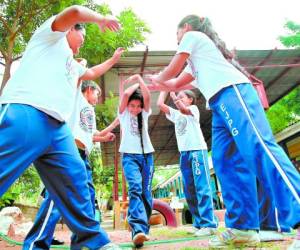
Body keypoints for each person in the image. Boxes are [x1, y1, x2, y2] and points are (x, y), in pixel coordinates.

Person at [147, 15, 300, 249]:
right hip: (218, 104)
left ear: (186, 28)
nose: (177, 40)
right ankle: (242, 228)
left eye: (176, 35)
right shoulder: (197, 61)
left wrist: (160, 77)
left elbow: (172, 69)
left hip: (232, 91)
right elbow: (176, 82)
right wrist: (159, 84)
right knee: (224, 161)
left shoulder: (194, 36)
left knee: (258, 146)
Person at [0, 5, 123, 249]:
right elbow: (76, 11)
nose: (83, 42)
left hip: (58, 130)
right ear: (70, 31)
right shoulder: (49, 36)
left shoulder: (72, 65)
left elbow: (92, 72)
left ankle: (92, 242)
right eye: (82, 35)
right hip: (26, 112)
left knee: (75, 183)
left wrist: (113, 60)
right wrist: (100, 19)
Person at [23, 80, 118, 249]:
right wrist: (81, 68)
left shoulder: (90, 111)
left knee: (87, 197)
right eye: (97, 93)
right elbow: (77, 79)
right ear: (88, 90)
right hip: (69, 154)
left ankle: (80, 243)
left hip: (84, 157)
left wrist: (111, 128)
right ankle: (36, 243)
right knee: (57, 199)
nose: (98, 98)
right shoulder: (77, 99)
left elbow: (92, 134)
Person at [157, 90, 217, 236]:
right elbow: (159, 104)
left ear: (190, 99)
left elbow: (183, 109)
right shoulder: (176, 115)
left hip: (197, 151)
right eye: (178, 98)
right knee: (189, 190)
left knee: (201, 187)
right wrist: (164, 88)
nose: (178, 99)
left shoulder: (193, 110)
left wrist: (173, 96)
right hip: (184, 154)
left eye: (182, 97)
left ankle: (209, 224)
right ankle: (198, 224)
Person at [118, 74, 155, 248]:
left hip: (147, 156)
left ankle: (143, 231)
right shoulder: (124, 114)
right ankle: (137, 229)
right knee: (135, 188)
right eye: (132, 106)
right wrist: (133, 83)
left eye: (138, 106)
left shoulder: (144, 114)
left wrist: (140, 79)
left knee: (146, 194)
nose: (135, 109)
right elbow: (125, 95)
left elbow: (147, 96)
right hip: (129, 157)